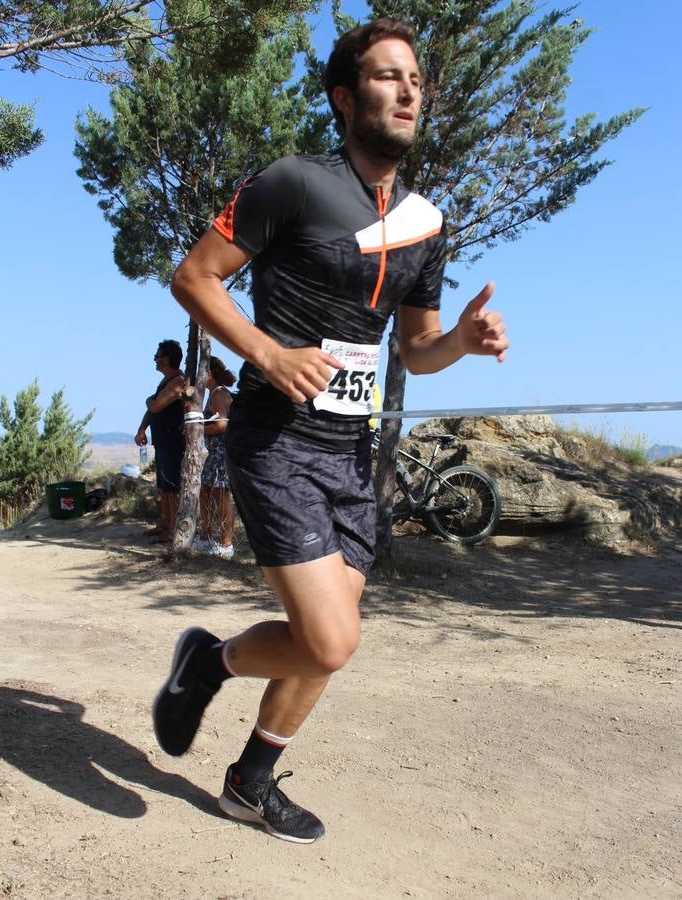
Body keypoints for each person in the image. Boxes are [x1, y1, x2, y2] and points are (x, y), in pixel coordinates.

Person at [154, 18, 509, 844]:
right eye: (388, 77)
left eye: (415, 79)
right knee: (331, 638)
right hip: (276, 437)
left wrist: (459, 340)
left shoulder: (424, 221)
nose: (409, 90)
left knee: (322, 648)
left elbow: (414, 351)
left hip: (349, 450)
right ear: (347, 98)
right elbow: (194, 278)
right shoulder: (292, 183)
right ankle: (206, 665)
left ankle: (249, 778)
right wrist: (269, 354)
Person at [135, 340, 186, 543]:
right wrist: (142, 428)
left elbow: (155, 406)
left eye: (157, 355)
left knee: (172, 486)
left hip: (174, 441)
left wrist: (148, 399)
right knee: (164, 485)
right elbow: (154, 408)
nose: (154, 359)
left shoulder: (177, 381)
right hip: (163, 440)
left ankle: (173, 529)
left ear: (166, 358)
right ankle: (166, 523)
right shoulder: (166, 381)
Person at [193, 356, 236, 559]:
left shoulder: (219, 394)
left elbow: (222, 425)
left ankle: (226, 543)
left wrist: (197, 430)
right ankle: (206, 536)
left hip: (222, 451)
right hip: (215, 452)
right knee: (206, 492)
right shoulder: (213, 394)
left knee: (221, 495)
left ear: (208, 373)